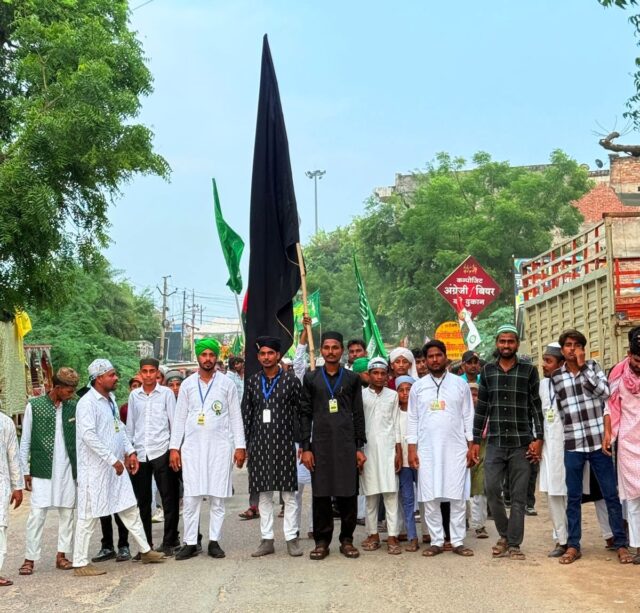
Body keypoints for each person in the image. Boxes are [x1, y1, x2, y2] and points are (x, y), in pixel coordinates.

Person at [72, 359, 165, 576]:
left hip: (115, 468)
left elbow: (119, 428)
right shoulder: (87, 403)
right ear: (98, 378)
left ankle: (145, 550)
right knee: (88, 515)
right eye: (111, 375)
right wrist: (111, 459)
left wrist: (130, 452)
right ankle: (80, 563)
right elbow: (88, 436)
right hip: (95, 470)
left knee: (129, 507)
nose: (116, 378)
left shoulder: (110, 400)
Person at [551, 329, 631, 564]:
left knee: (610, 495)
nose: (572, 349)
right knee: (573, 497)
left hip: (598, 443)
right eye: (568, 345)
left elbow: (605, 394)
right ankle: (573, 546)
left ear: (583, 349)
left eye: (577, 345)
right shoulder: (556, 377)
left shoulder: (593, 367)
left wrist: (583, 368)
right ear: (562, 349)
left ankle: (621, 544)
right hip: (573, 443)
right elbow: (560, 412)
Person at [470, 324, 543, 561]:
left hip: (521, 443)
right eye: (502, 341)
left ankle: (513, 544)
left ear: (517, 344)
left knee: (519, 497)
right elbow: (482, 408)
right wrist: (475, 440)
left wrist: (539, 438)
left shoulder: (529, 371)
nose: (506, 345)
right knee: (492, 489)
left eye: (510, 341)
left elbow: (536, 406)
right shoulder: (488, 371)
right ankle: (504, 534)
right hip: (495, 442)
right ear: (497, 343)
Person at [170, 338, 246, 561]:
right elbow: (179, 418)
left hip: (220, 448)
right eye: (204, 355)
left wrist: (240, 446)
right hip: (192, 449)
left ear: (216, 357)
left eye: (212, 355)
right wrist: (174, 448)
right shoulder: (187, 384)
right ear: (198, 357)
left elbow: (235, 416)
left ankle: (214, 541)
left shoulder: (226, 384)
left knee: (217, 497)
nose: (208, 359)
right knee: (191, 497)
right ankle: (190, 542)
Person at [300, 331, 366, 560]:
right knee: (321, 494)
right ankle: (321, 541)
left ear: (342, 351)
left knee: (348, 493)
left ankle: (347, 540)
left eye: (335, 347)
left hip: (346, 444)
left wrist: (359, 447)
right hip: (320, 444)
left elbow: (358, 413)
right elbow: (305, 413)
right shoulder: (311, 378)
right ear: (321, 350)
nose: (331, 351)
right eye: (327, 347)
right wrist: (306, 448)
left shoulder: (352, 379)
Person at [408, 340, 474, 558]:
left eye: (438, 355)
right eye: (430, 356)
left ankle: (457, 541)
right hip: (427, 450)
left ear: (446, 357)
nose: (435, 359)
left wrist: (471, 444)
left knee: (457, 496)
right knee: (430, 496)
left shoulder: (460, 384)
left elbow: (468, 415)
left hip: (456, 449)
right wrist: (411, 449)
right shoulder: (418, 387)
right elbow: (413, 419)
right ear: (425, 361)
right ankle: (436, 541)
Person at [242, 336, 303, 557]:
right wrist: (244, 445)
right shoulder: (252, 382)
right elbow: (246, 415)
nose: (267, 357)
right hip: (259, 444)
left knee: (289, 495)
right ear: (258, 357)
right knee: (264, 495)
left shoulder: (291, 381)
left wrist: (302, 443)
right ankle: (267, 539)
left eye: (270, 353)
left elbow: (301, 414)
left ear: (278, 355)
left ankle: (291, 538)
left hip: (285, 444)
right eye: (263, 354)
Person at [19, 367, 79, 575]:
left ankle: (62, 555)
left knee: (67, 513)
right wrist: (25, 470)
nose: (72, 394)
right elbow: (25, 440)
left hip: (68, 469)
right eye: (69, 390)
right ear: (57, 387)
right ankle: (29, 559)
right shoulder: (34, 406)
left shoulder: (74, 407)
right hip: (42, 467)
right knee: (37, 514)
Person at [126, 357, 180, 556]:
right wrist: (130, 451)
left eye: (152, 371)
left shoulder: (166, 394)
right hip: (140, 453)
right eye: (144, 371)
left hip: (162, 450)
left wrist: (174, 449)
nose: (148, 375)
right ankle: (145, 546)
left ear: (158, 373)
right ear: (140, 373)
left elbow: (174, 423)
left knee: (169, 498)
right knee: (143, 502)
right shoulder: (134, 396)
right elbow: (130, 425)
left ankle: (169, 542)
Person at [360, 357, 402, 555]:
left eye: (382, 373)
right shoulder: (361, 396)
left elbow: (396, 423)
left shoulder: (393, 396)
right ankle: (373, 534)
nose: (378, 377)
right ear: (368, 375)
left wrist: (398, 451)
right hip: (367, 451)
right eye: (375, 373)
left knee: (391, 494)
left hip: (388, 451)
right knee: (370, 495)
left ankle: (392, 536)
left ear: (387, 376)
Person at [607, 326, 640, 564]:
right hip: (628, 445)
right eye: (637, 360)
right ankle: (637, 546)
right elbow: (611, 406)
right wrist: (609, 436)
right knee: (634, 500)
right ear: (629, 354)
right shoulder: (618, 374)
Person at [537, 342, 568, 557]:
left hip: (568, 446)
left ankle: (570, 538)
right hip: (548, 447)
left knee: (568, 494)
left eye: (548, 361)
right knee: (553, 494)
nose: (544, 365)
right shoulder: (542, 385)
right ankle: (561, 538)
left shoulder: (570, 383)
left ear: (561, 363)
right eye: (544, 360)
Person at [396, 375, 420, 551]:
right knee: (407, 500)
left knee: (426, 500)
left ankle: (431, 534)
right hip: (403, 463)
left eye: (409, 389)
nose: (405, 393)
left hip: (420, 461)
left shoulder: (420, 412)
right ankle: (412, 536)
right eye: (401, 390)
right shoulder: (395, 413)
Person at [0, 409, 24, 587]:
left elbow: (13, 455)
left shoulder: (5, 422)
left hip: (1, 483)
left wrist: (17, 486)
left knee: (0, 527)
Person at [467, 381, 488, 539]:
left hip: (483, 453)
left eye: (476, 395)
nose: (473, 398)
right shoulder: (459, 413)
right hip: (462, 454)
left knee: (479, 489)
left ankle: (479, 525)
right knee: (463, 491)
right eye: (470, 395)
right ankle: (464, 521)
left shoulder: (487, 414)